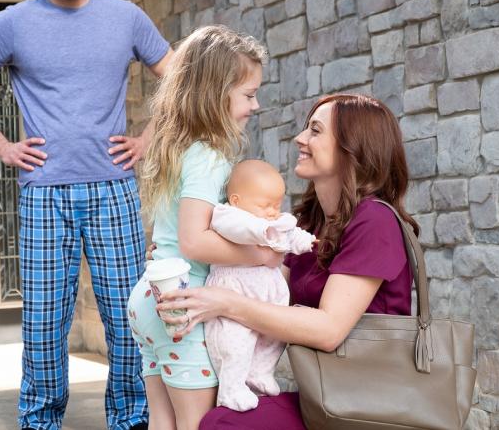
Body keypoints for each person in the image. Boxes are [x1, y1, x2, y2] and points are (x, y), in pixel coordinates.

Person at [0, 0, 173, 428]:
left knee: (128, 315)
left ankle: (131, 419)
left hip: (113, 188)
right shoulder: (14, 23)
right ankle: (40, 421)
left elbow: (178, 76)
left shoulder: (124, 17)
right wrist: (2, 146)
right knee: (45, 321)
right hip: (44, 194)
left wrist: (148, 138)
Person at [156, 94, 417, 429]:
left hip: (368, 403)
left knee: (224, 425)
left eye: (315, 131)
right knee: (215, 414)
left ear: (352, 148)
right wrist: (176, 258)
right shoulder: (310, 221)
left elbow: (328, 330)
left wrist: (225, 303)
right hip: (324, 396)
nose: (300, 138)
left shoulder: (374, 221)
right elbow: (261, 282)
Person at [125, 25, 282, 430]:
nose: (255, 105)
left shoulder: (177, 148)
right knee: (198, 424)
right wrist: (262, 255)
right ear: (216, 94)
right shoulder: (208, 157)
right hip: (185, 307)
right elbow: (194, 241)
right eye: (248, 94)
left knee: (162, 421)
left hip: (153, 299)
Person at [205, 159, 314, 411]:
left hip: (268, 292)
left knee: (275, 337)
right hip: (235, 289)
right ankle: (231, 389)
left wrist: (303, 240)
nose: (273, 212)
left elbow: (290, 233)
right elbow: (240, 230)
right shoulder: (227, 215)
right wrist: (268, 230)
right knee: (236, 342)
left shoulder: (273, 221)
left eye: (277, 205)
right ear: (236, 200)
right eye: (265, 205)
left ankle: (260, 372)